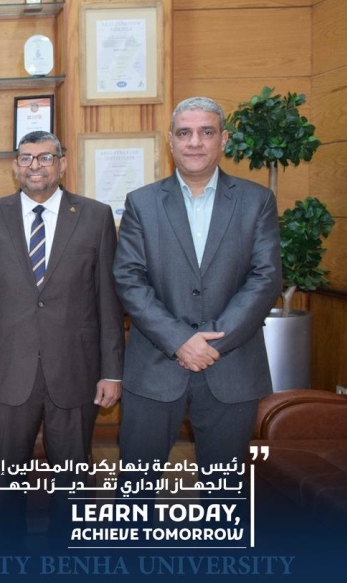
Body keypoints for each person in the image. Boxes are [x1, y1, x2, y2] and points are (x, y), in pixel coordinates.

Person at [0, 131, 124, 546]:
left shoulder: (95, 216)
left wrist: (112, 371)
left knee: (73, 476)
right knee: (6, 478)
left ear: (62, 164)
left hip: (76, 369)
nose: (35, 166)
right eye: (26, 158)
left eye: (45, 157)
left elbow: (108, 299)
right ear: (14, 166)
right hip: (6, 369)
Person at [113, 96, 282, 495]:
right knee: (135, 491)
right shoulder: (142, 202)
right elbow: (129, 279)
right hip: (154, 368)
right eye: (184, 133)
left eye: (206, 132)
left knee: (224, 493)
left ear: (223, 139)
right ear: (170, 141)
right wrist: (179, 340)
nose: (194, 142)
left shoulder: (257, 201)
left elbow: (266, 278)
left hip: (231, 367)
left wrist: (210, 343)